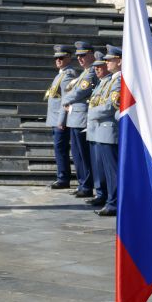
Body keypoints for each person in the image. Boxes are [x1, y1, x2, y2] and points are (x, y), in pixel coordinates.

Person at [61, 41, 98, 198]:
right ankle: (82, 183)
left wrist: (64, 99)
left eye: (83, 55)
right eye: (78, 56)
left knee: (84, 154)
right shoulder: (84, 72)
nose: (80, 58)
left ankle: (87, 185)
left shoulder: (91, 72)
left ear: (91, 55)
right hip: (75, 117)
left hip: (82, 117)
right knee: (77, 155)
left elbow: (80, 92)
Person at [91, 45, 122, 216]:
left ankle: (114, 203)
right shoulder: (111, 80)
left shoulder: (118, 80)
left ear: (119, 61)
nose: (106, 62)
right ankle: (111, 201)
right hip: (103, 130)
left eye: (110, 60)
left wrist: (91, 113)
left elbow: (111, 106)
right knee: (108, 171)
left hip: (110, 129)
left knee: (112, 171)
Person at [46, 44, 77, 190]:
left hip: (60, 119)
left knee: (61, 149)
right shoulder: (61, 74)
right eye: (56, 58)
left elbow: (66, 99)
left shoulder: (68, 75)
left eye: (61, 58)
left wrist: (62, 120)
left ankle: (63, 178)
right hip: (55, 118)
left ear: (69, 58)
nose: (58, 60)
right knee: (59, 148)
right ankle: (62, 176)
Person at [84, 51, 110, 207]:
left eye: (100, 66)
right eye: (95, 67)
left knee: (106, 167)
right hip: (95, 129)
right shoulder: (101, 83)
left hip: (104, 128)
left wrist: (90, 113)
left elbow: (109, 106)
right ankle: (101, 193)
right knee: (97, 165)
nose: (96, 69)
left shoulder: (113, 82)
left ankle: (108, 197)